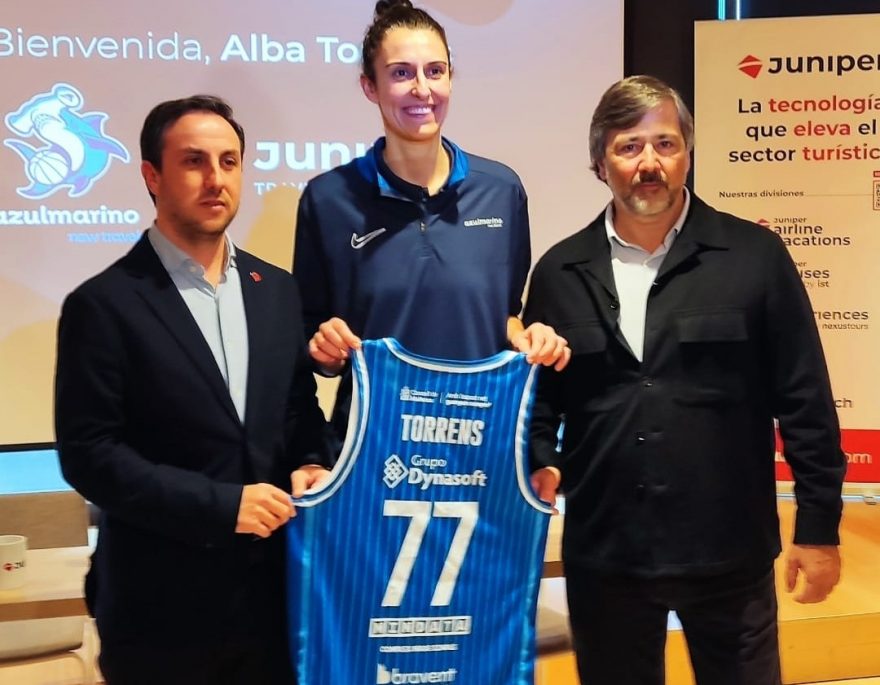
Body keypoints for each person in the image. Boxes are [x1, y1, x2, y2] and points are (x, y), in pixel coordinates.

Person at [524, 75, 846, 685]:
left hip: (730, 554)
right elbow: (537, 403)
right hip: (606, 556)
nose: (649, 163)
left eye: (665, 144)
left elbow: (805, 401)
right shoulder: (560, 271)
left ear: (688, 153)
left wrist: (818, 528)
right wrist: (541, 459)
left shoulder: (755, 257)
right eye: (628, 146)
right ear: (600, 162)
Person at [54, 95, 331, 685]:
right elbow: (90, 455)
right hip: (159, 613)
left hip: (272, 603)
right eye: (194, 162)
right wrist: (222, 507)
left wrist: (311, 460)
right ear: (152, 175)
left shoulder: (276, 290)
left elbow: (295, 410)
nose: (216, 180)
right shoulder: (102, 305)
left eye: (230, 162)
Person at [293, 0, 569, 450]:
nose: (423, 89)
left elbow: (504, 314)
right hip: (373, 448)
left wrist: (527, 336)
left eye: (435, 71)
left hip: (480, 444)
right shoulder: (328, 200)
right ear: (370, 86)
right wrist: (322, 350)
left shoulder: (501, 189)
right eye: (401, 73)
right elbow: (310, 334)